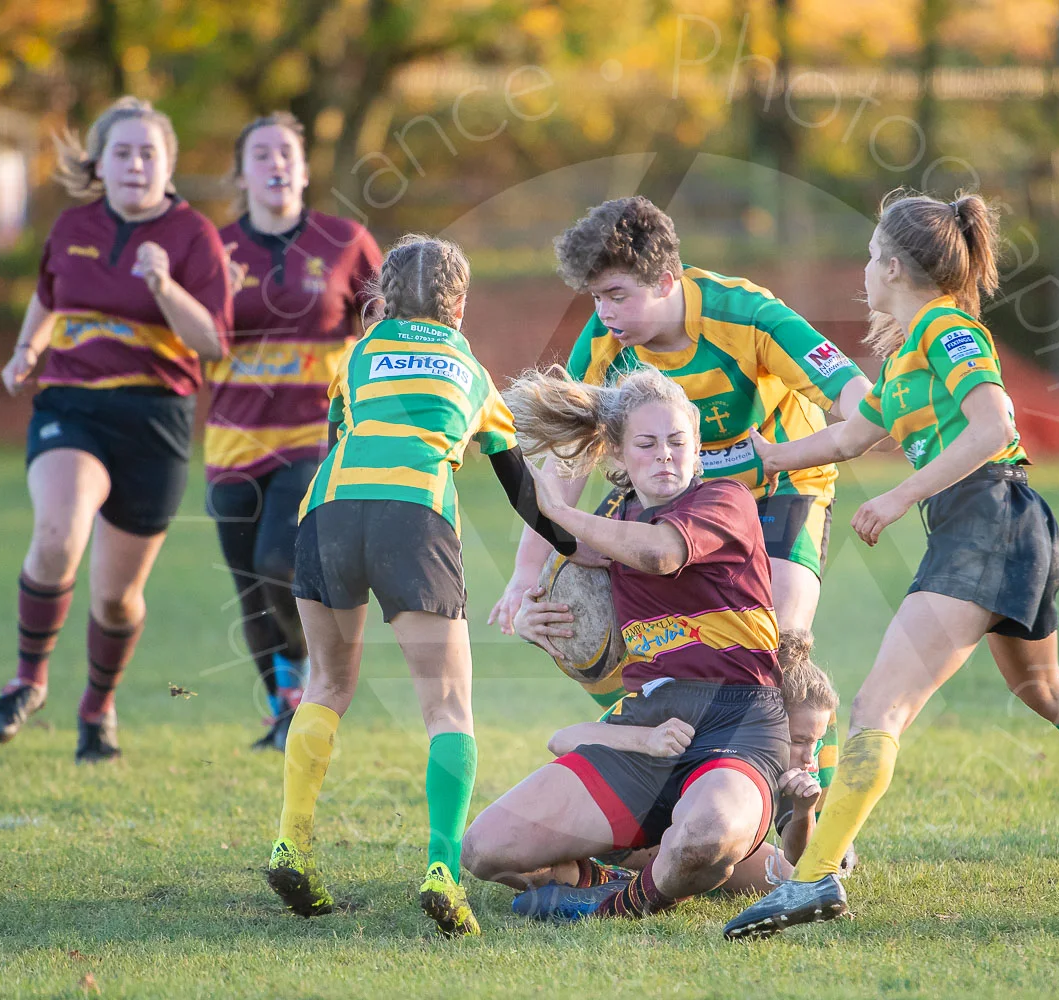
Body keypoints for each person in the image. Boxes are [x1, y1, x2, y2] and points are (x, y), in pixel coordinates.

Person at [724, 189, 1059, 941]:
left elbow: (994, 426)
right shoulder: (909, 351)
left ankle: (811, 882)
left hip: (988, 519)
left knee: (879, 707)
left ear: (893, 266)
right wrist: (759, 459)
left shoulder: (948, 328)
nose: (865, 270)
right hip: (1008, 525)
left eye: (872, 256)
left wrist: (903, 495)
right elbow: (848, 438)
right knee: (1041, 686)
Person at [262, 235, 575, 937]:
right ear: (459, 305)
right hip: (415, 519)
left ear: (385, 298)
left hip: (328, 514)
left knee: (326, 687)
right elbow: (522, 488)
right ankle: (440, 870)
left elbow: (340, 431)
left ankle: (291, 843)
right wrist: (572, 546)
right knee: (446, 707)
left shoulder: (360, 356)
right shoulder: (469, 367)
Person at [460, 366, 791, 922]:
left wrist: (564, 512)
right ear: (616, 453)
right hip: (645, 725)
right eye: (647, 443)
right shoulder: (615, 521)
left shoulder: (724, 500)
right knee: (486, 850)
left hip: (737, 720)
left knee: (706, 835)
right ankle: (624, 870)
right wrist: (543, 628)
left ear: (696, 446)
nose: (665, 455)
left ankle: (617, 904)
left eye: (677, 441)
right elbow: (558, 539)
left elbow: (659, 553)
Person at [489, 196, 872, 638]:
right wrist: (528, 569)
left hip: (780, 488)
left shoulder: (747, 315)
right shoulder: (603, 342)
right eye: (596, 297)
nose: (604, 312)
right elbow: (566, 462)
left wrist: (802, 449)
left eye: (617, 295)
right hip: (670, 495)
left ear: (666, 282)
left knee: (778, 637)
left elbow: (855, 396)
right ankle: (644, 705)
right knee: (585, 625)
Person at [0, 97, 233, 762]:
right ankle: (27, 682)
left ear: (169, 165)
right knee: (59, 531)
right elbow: (47, 296)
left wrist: (164, 285)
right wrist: (26, 352)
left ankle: (97, 708)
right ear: (99, 162)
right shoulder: (71, 225)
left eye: (149, 153)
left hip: (157, 419)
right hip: (74, 406)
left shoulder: (193, 237)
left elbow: (212, 342)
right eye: (122, 152)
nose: (136, 164)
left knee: (118, 599)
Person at [208, 112, 382, 751]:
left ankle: (315, 681)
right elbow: (192, 340)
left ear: (305, 169)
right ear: (242, 172)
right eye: (261, 154)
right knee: (250, 583)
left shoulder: (345, 240)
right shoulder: (215, 249)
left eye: (287, 152)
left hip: (318, 435)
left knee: (279, 560)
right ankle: (284, 707)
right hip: (232, 441)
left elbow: (384, 323)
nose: (276, 163)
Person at [530, 628, 845, 892]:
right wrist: (647, 740)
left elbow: (801, 863)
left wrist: (804, 810)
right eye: (799, 740)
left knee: (790, 880)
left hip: (689, 835)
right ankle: (609, 880)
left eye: (816, 743)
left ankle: (620, 881)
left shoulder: (793, 765)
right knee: (525, 864)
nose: (809, 756)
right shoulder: (692, 714)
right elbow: (560, 740)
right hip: (626, 832)